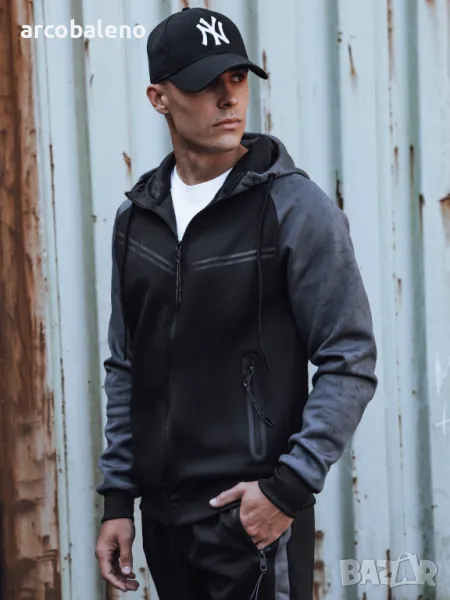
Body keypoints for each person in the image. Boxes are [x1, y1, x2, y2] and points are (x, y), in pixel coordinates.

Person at [95, 6, 377, 600]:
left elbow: (349, 358)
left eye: (238, 78)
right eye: (204, 83)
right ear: (159, 98)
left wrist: (286, 490)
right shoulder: (136, 220)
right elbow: (126, 364)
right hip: (163, 522)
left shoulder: (295, 209)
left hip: (251, 520)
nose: (229, 99)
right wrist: (118, 498)